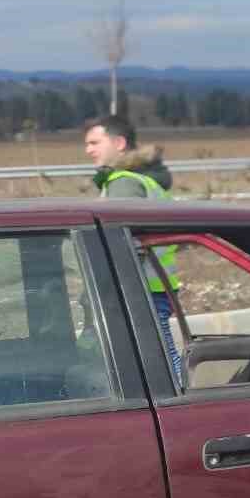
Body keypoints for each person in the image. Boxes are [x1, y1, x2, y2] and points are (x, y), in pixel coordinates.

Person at [84, 115, 184, 385]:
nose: (88, 150)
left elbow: (120, 240)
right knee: (161, 356)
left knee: (160, 359)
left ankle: (182, 407)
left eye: (94, 142)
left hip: (139, 289)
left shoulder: (124, 183)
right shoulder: (136, 179)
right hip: (150, 287)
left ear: (118, 142)